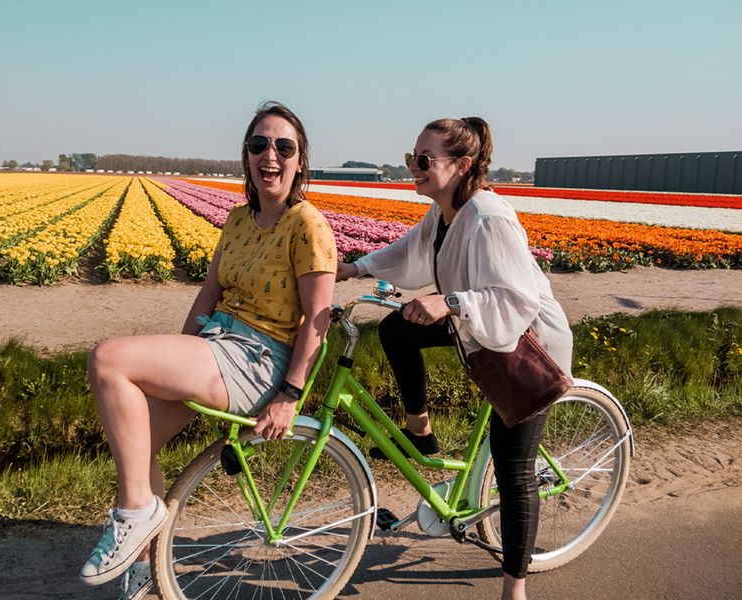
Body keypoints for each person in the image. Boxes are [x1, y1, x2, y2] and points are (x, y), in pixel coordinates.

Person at [80, 101, 337, 600]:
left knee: (107, 357)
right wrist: (179, 351)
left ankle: (139, 514)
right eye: (259, 144)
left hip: (260, 361)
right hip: (216, 343)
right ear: (246, 156)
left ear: (301, 161)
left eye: (284, 146)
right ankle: (143, 562)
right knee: (136, 443)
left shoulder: (309, 226)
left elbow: (318, 321)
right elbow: (208, 294)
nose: (271, 155)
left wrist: (289, 395)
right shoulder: (239, 220)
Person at [337, 117, 572, 600]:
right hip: (479, 323)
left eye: (424, 161)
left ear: (462, 165)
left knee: (513, 467)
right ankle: (420, 432)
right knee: (397, 327)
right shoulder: (444, 213)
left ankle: (514, 585)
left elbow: (516, 298)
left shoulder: (489, 217)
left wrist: (448, 302)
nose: (413, 169)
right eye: (411, 159)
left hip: (527, 343)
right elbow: (410, 252)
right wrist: (353, 267)